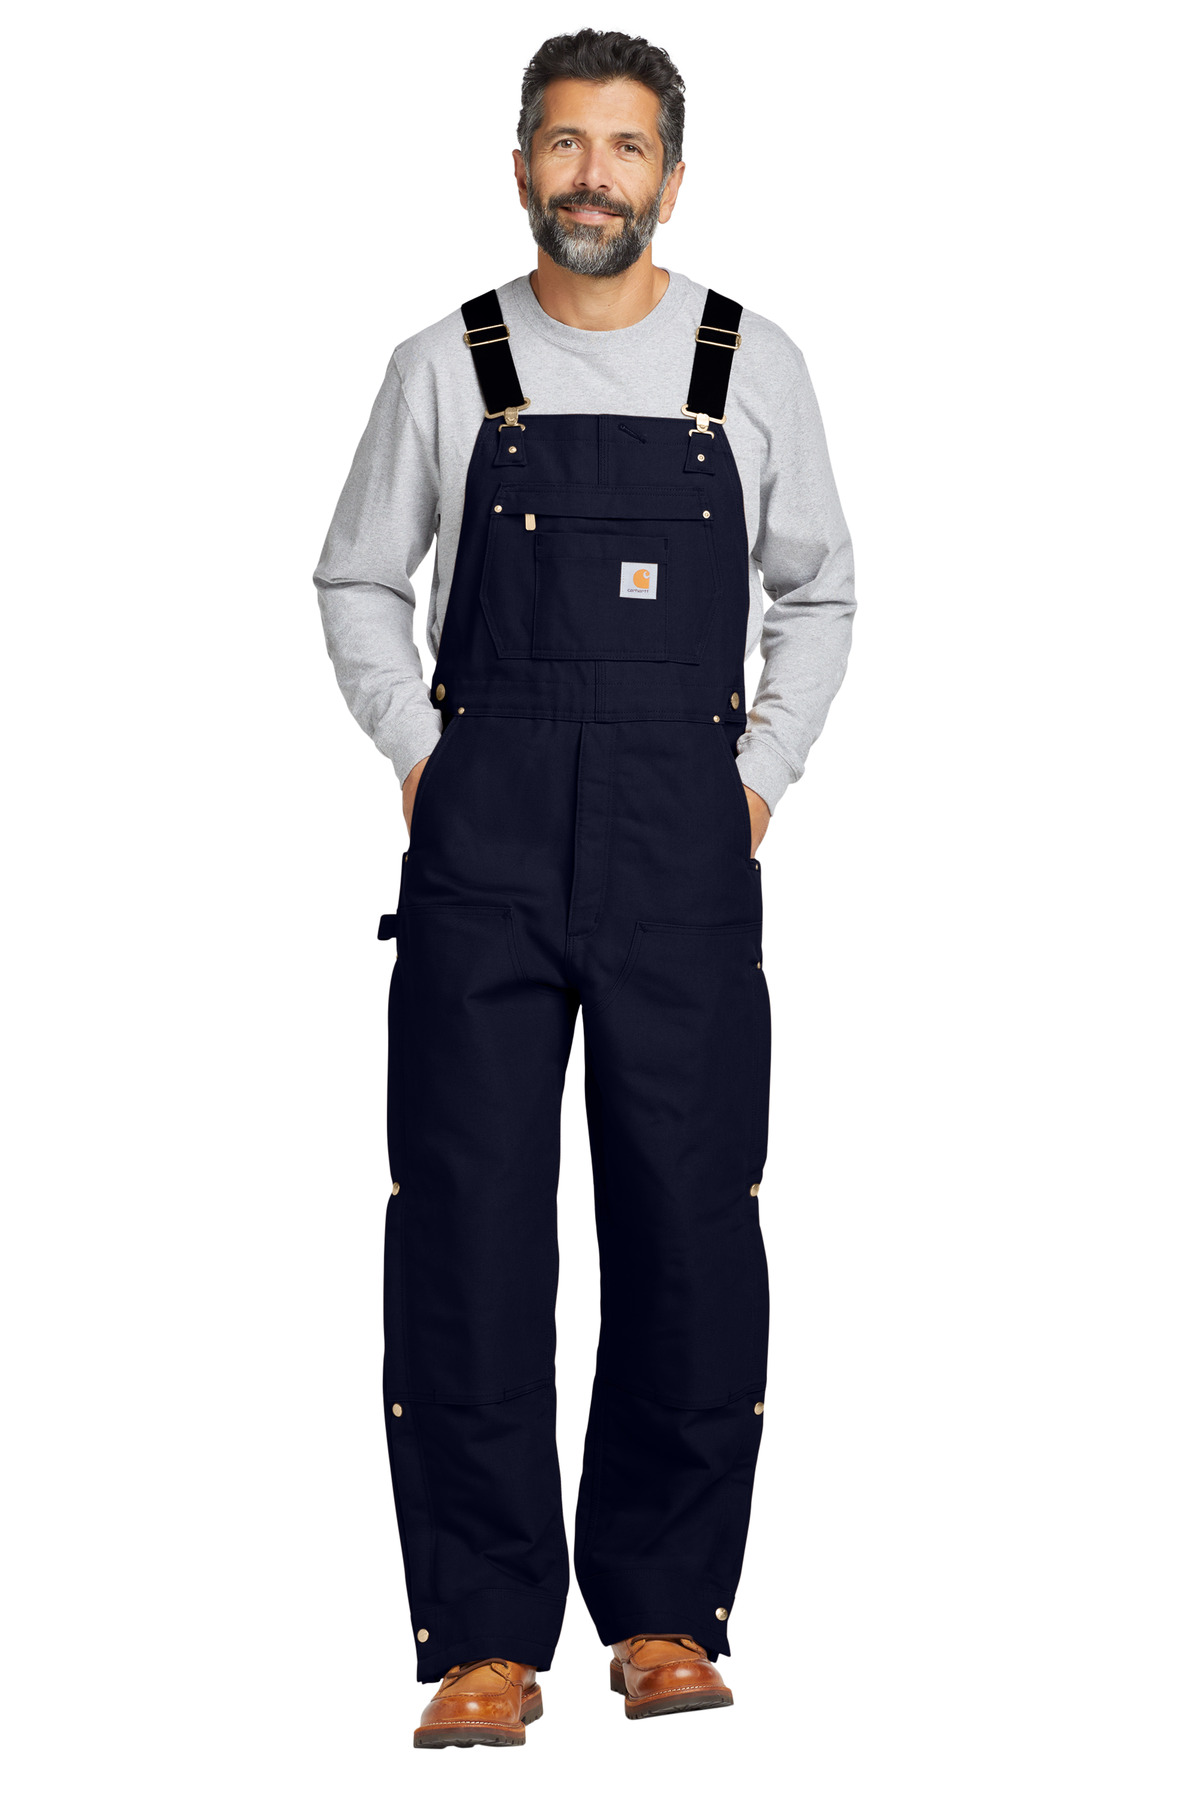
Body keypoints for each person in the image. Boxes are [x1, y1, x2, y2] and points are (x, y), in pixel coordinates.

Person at [313, 26, 856, 1750]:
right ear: (520, 165)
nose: (593, 176)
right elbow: (356, 578)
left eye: (626, 148)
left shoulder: (749, 362)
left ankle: (667, 1617)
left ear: (671, 177)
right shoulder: (445, 364)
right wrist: (421, 755)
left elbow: (821, 593)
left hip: (682, 847)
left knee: (689, 1221)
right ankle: (484, 1639)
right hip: (482, 847)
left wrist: (759, 778)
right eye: (565, 143)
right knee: (467, 1225)